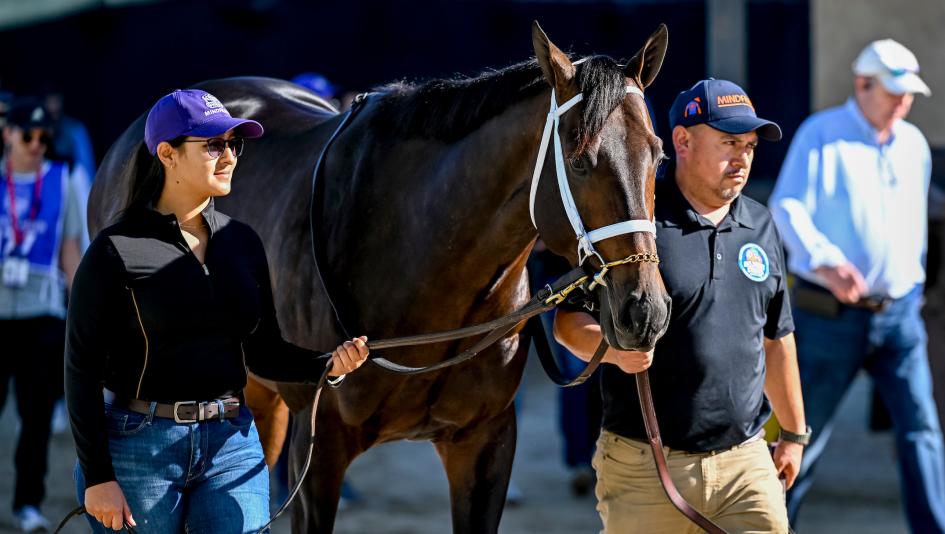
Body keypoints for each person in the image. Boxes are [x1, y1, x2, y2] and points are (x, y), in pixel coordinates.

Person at [65, 89, 371, 533]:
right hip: (137, 450)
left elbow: (263, 351)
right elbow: (81, 370)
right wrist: (98, 477)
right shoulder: (114, 250)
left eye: (233, 143)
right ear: (167, 154)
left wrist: (329, 366)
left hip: (232, 443)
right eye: (213, 144)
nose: (229, 156)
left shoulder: (242, 243)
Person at [554, 79, 807, 533]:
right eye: (729, 142)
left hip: (746, 464)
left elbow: (776, 338)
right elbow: (568, 322)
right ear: (683, 141)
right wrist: (612, 351)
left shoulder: (760, 223)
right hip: (646, 467)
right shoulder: (637, 224)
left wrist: (792, 434)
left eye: (749, 146)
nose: (743, 158)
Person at [769, 39, 945, 532]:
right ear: (862, 84)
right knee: (803, 434)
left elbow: (914, 224)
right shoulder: (821, 134)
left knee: (922, 432)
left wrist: (913, 283)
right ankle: (774, 525)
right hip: (831, 316)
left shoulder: (913, 144)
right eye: (893, 92)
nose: (903, 102)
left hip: (900, 315)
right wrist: (826, 262)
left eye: (908, 94)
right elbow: (786, 206)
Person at [0, 97, 86, 532]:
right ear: (8, 134)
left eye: (43, 137)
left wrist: (80, 306)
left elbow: (71, 246)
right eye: (28, 136)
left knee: (35, 419)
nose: (36, 144)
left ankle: (27, 503)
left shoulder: (62, 179)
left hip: (43, 314)